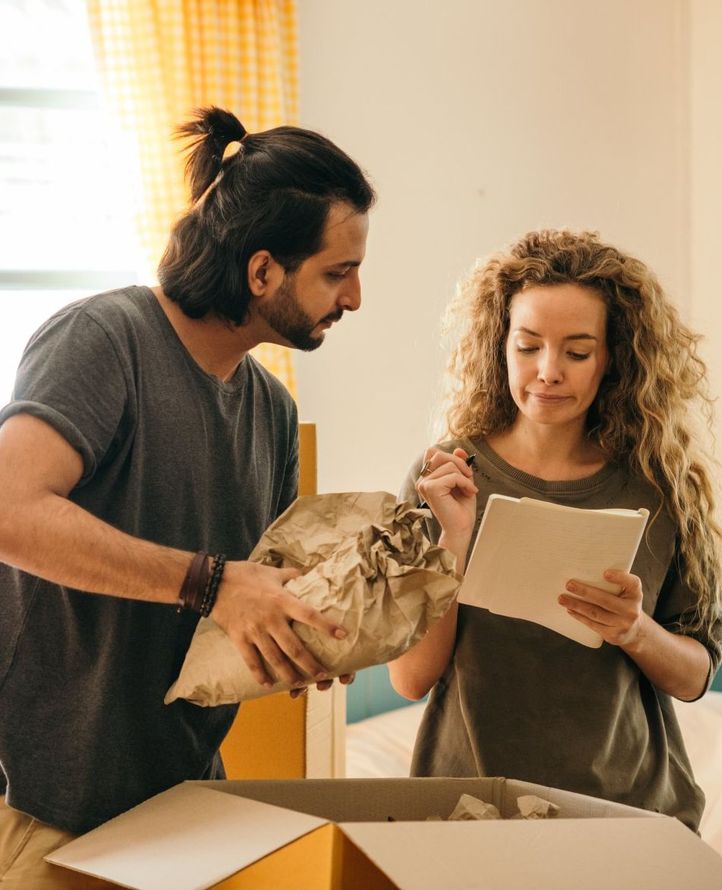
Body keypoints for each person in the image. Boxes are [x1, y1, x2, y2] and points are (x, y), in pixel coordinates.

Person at [0, 106, 375, 886]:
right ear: (262, 270)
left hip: (183, 801)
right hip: (39, 805)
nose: (356, 298)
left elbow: (242, 605)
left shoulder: (271, 411)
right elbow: (9, 510)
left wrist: (309, 636)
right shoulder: (104, 339)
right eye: (338, 272)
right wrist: (212, 583)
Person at [389, 229, 722, 831]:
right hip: (472, 812)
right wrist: (453, 543)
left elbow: (697, 675)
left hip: (631, 813)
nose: (547, 372)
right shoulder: (444, 475)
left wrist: (634, 630)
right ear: (500, 346)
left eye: (576, 351)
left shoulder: (661, 485)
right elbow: (410, 679)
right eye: (528, 346)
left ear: (613, 358)